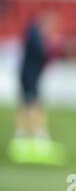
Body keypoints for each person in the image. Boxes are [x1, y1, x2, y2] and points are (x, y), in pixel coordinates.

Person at [8, 13, 66, 165]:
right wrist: (52, 46)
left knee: (29, 104)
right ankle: (34, 135)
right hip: (29, 76)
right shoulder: (35, 33)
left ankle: (26, 134)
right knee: (33, 105)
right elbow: (40, 53)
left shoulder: (36, 34)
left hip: (30, 75)